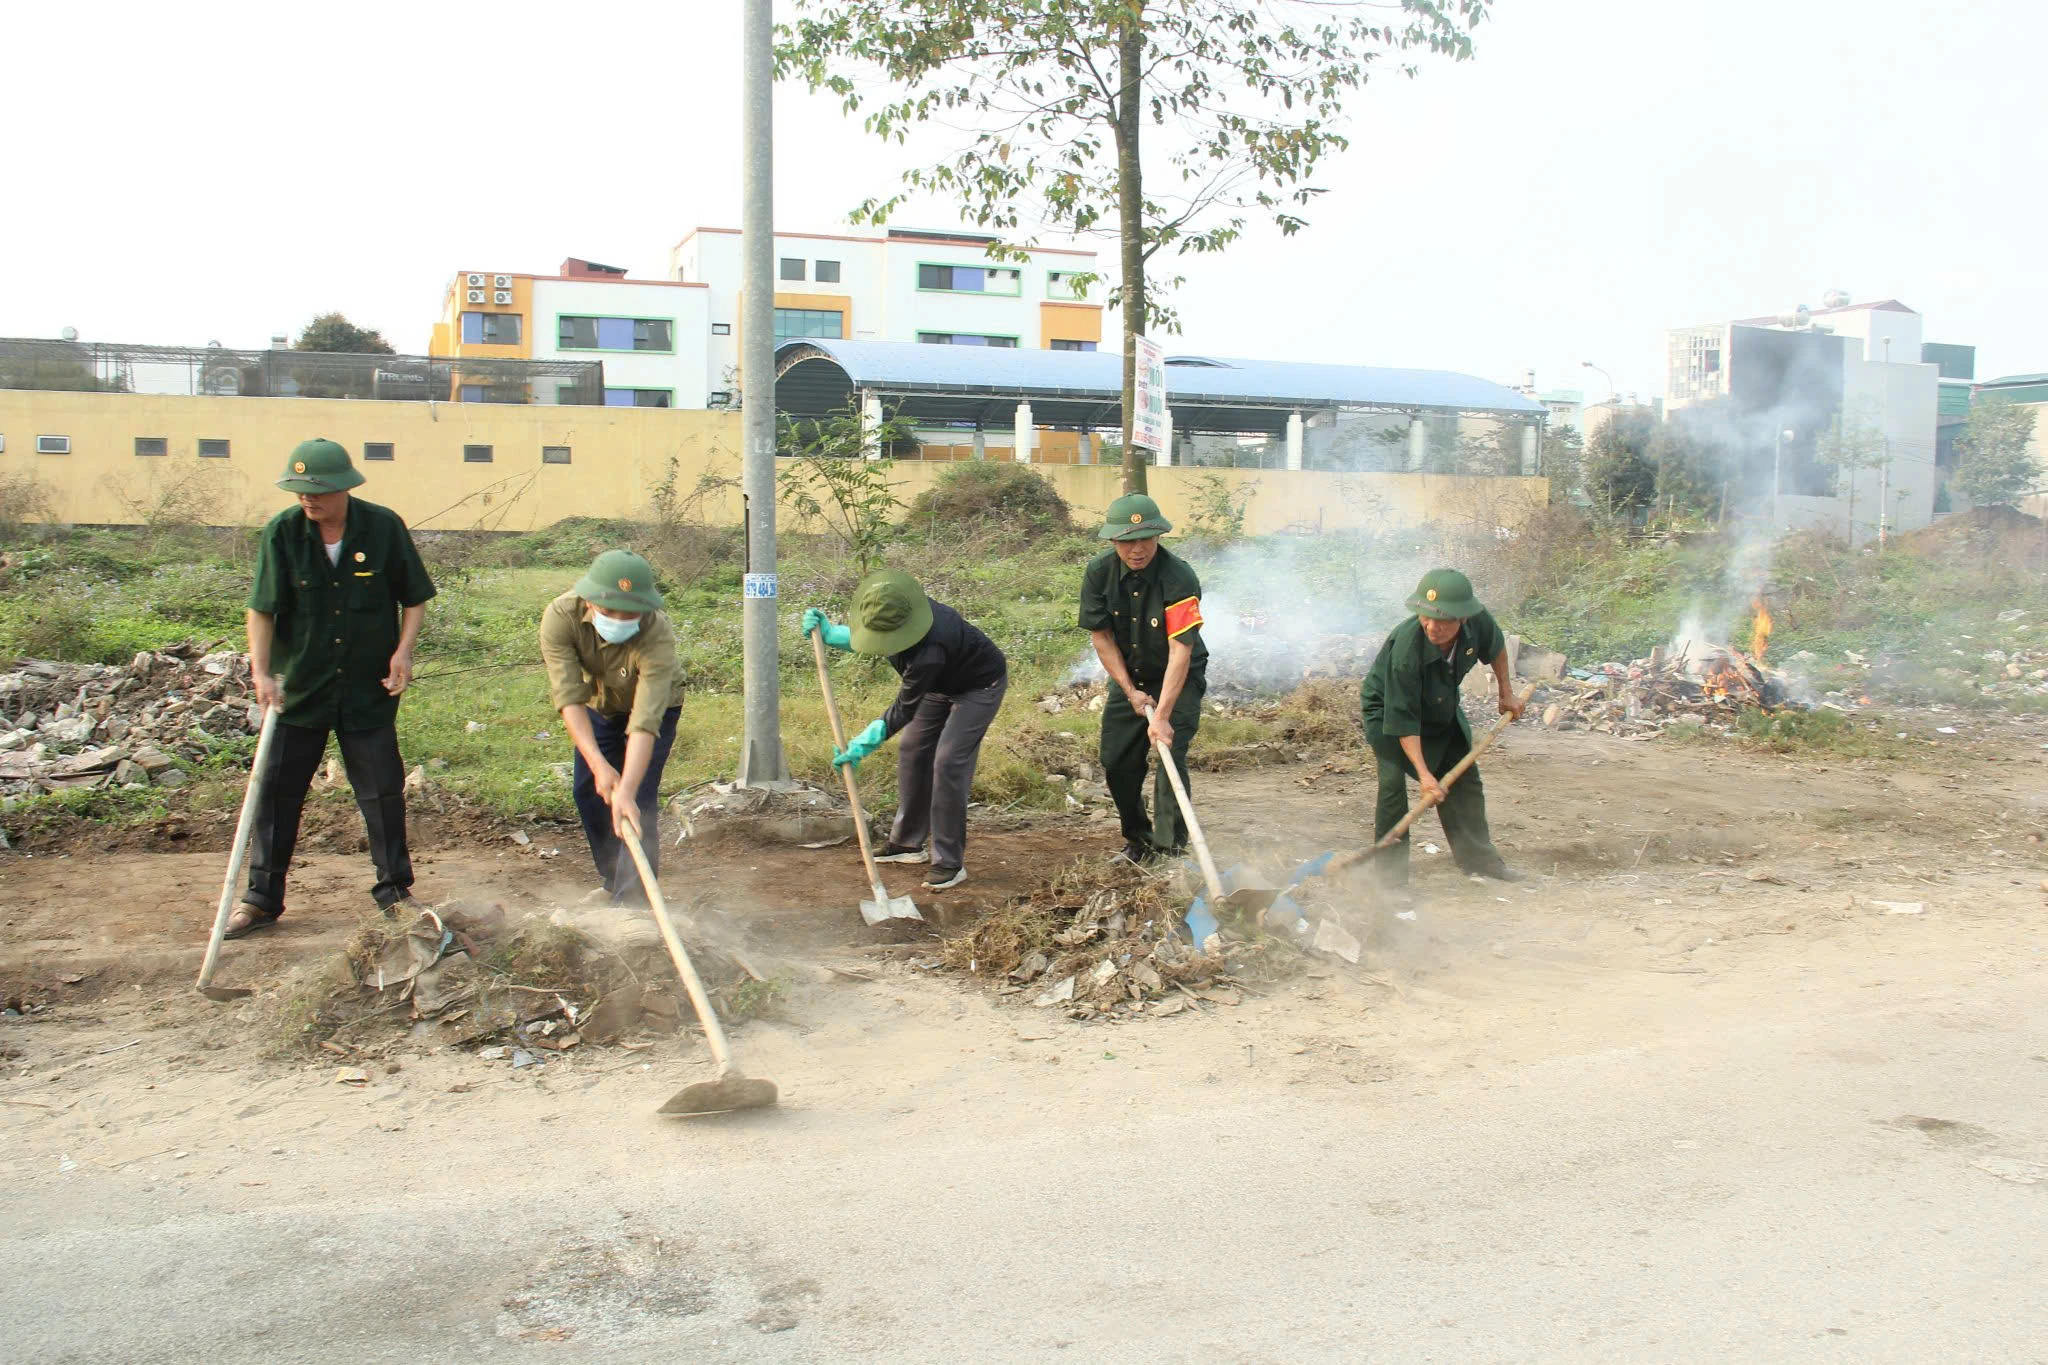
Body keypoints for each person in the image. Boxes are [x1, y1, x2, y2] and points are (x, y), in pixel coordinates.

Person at [225, 439, 436, 938]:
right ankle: (261, 900)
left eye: (317, 491)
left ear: (344, 487)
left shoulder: (383, 527)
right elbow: (261, 609)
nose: (307, 499)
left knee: (382, 792)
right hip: (300, 689)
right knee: (276, 794)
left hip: (367, 688)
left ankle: (394, 893)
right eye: (300, 490)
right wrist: (261, 671)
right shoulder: (282, 533)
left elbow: (414, 598)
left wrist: (404, 651)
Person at [805, 569, 1007, 890]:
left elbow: (904, 709)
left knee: (948, 762)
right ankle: (907, 843)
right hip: (937, 686)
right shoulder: (897, 608)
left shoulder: (930, 651)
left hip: (978, 686)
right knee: (913, 749)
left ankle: (949, 862)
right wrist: (832, 634)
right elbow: (876, 634)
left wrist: (864, 743)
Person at [1359, 568, 1526, 885]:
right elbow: (1404, 719)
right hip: (1388, 711)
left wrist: (1506, 693)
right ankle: (1390, 884)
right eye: (1426, 617)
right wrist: (1425, 776)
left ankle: (1480, 862)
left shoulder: (1477, 621)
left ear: (1463, 617)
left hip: (1440, 705)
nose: (1432, 627)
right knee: (1393, 787)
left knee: (1464, 779)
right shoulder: (1407, 650)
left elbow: (1496, 647)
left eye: (1443, 620)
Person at [538, 550, 684, 906]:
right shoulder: (561, 617)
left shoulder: (656, 630)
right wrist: (599, 765)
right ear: (589, 600)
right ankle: (612, 880)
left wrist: (627, 789)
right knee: (589, 790)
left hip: (655, 709)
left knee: (638, 799)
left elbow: (644, 721)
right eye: (609, 610)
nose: (620, 619)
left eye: (630, 612)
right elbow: (569, 697)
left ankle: (632, 902)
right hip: (599, 705)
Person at [1076, 493, 1207, 864]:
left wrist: (1162, 715)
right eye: (1127, 541)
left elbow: (1180, 650)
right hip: (1130, 676)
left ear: (1158, 536)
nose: (1137, 549)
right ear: (1113, 540)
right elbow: (1102, 637)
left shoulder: (1179, 576)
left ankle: (1170, 850)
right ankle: (1139, 839)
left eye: (1146, 539)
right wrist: (1129, 691)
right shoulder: (1099, 573)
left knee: (1169, 754)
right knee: (1117, 760)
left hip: (1178, 676)